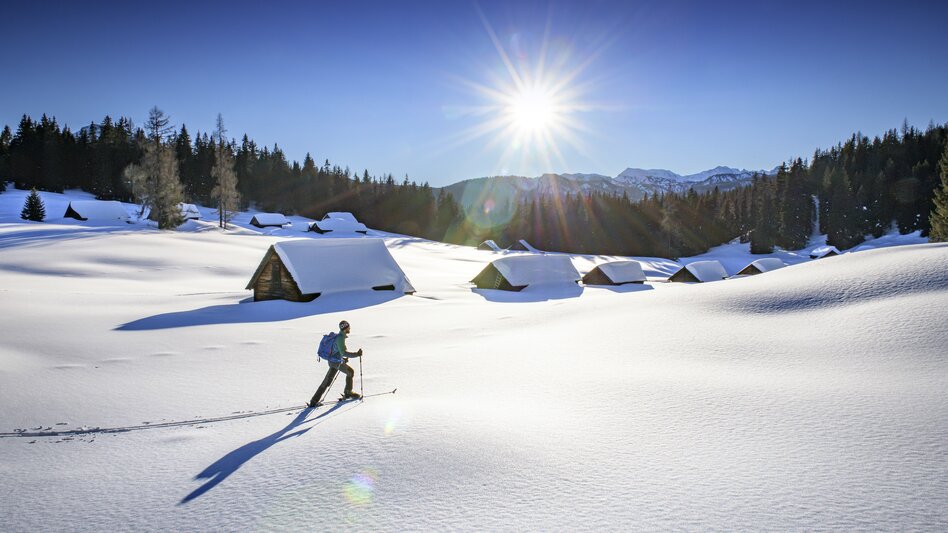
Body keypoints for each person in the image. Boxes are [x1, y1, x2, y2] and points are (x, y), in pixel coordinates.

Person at [308, 320, 363, 407]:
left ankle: (314, 401)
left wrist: (343, 359)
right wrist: (356, 354)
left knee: (327, 381)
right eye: (348, 327)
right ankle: (348, 393)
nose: (350, 328)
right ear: (345, 328)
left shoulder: (340, 336)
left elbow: (337, 351)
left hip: (334, 361)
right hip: (335, 362)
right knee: (350, 372)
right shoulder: (340, 338)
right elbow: (343, 352)